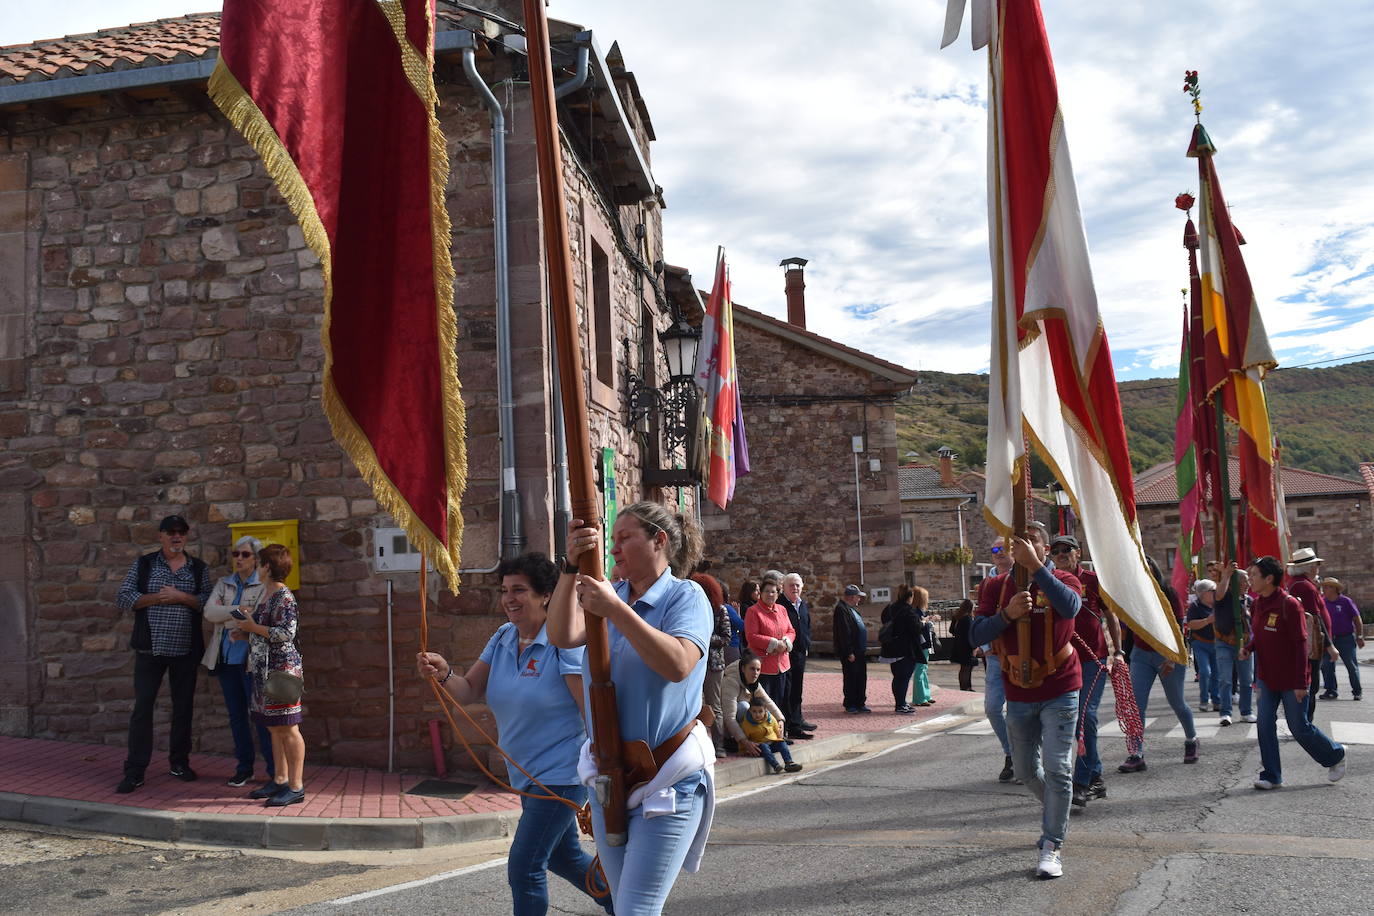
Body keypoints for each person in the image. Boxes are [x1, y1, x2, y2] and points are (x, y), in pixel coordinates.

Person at [416, 553, 610, 916]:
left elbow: (590, 710)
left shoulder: (563, 642)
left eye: (519, 590)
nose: (509, 599)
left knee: (525, 867)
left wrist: (604, 762)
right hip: (526, 775)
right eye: (505, 590)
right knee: (562, 857)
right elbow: (469, 690)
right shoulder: (504, 636)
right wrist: (443, 673)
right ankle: (627, 907)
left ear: (546, 596)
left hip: (560, 775)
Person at [553, 503, 714, 916]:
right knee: (623, 906)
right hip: (611, 778)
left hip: (668, 779)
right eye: (614, 539)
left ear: (658, 541)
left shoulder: (686, 596)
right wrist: (570, 568)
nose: (615, 548)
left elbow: (678, 663)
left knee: (635, 909)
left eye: (625, 538)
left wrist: (615, 611)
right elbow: (561, 633)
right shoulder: (614, 596)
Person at [970, 520, 1082, 880]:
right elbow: (976, 631)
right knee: (1023, 770)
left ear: (1044, 549)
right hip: (1017, 690)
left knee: (1058, 768)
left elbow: (1070, 608)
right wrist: (1007, 615)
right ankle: (1057, 808)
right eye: (1016, 544)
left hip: (1060, 687)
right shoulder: (996, 586)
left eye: (1030, 542)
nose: (1021, 548)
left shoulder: (1064, 579)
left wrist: (1036, 569)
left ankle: (1052, 843)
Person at [114, 514, 212, 794]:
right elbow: (123, 596)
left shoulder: (198, 568)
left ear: (187, 536)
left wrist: (182, 597)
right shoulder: (144, 564)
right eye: (171, 532)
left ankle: (179, 763)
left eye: (181, 531)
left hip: (185, 651)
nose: (176, 536)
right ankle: (134, 771)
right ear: (161, 536)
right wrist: (156, 597)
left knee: (183, 710)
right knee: (142, 709)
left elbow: (208, 601)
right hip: (150, 650)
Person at [1241, 555, 1347, 790]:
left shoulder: (1290, 604)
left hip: (1292, 678)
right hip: (1267, 676)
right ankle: (1271, 775)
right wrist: (1249, 648)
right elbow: (1260, 635)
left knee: (1299, 726)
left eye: (1254, 575)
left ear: (1269, 579)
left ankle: (1335, 755)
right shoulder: (1257, 603)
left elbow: (1301, 644)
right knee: (1264, 724)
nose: (1250, 579)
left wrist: (1301, 682)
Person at [230, 544, 306, 807]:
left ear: (267, 567)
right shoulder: (266, 593)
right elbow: (265, 629)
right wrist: (245, 632)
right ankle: (280, 779)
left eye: (260, 563)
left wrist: (253, 626)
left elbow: (287, 633)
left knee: (288, 727)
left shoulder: (284, 596)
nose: (257, 568)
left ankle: (296, 787)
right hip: (264, 668)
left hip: (281, 669)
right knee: (273, 727)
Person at [1050, 535, 1122, 809]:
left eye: (1066, 550)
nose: (1061, 554)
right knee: (1072, 718)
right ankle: (1096, 776)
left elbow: (1110, 615)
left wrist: (1119, 651)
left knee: (1084, 716)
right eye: (1055, 551)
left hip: (1093, 658)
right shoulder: (1050, 581)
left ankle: (1081, 781)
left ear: (1077, 553)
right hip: (1063, 660)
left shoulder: (1092, 580)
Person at [202, 535, 273, 788]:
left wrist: (233, 615)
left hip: (251, 661)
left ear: (256, 559)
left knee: (261, 717)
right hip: (225, 660)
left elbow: (257, 619)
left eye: (245, 555)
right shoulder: (225, 583)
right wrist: (237, 611)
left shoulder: (264, 586)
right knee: (236, 717)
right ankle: (244, 768)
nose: (239, 559)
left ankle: (275, 772)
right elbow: (210, 612)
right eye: (236, 554)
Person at [1118, 557, 1199, 773]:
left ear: (1155, 570)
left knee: (1177, 702)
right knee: (1136, 706)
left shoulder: (1169, 594)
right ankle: (1136, 754)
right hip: (1141, 655)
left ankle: (1191, 739)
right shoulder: (1132, 595)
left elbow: (1179, 628)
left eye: (1148, 567)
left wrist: (1172, 658)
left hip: (1167, 656)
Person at [977, 537, 1016, 782]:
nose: (999, 552)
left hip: (1019, 653)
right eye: (994, 549)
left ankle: (1024, 757)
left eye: (1004, 548)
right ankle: (1011, 752)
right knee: (992, 708)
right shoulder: (986, 582)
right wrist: (985, 645)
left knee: (1020, 710)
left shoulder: (1023, 578)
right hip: (995, 656)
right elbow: (979, 616)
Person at [1286, 548, 1338, 718]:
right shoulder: (1305, 587)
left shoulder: (1298, 583)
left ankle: (1302, 721)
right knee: (1311, 685)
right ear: (1308, 567)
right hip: (1311, 645)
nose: (1318, 567)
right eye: (1316, 564)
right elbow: (1315, 619)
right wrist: (1330, 646)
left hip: (1306, 643)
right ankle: (1305, 723)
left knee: (1308, 684)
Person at [744, 580, 800, 736]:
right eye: (767, 591)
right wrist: (774, 643)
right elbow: (752, 636)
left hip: (782, 664)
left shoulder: (782, 609)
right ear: (761, 593)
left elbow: (791, 630)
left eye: (773, 592)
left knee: (781, 701)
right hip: (763, 666)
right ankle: (766, 736)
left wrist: (785, 642)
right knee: (765, 703)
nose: (770, 594)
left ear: (778, 594)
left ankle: (781, 734)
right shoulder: (753, 611)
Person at [1210, 560, 1256, 727]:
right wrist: (1227, 575)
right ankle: (1225, 713)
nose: (1248, 584)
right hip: (1224, 642)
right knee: (1225, 679)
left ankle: (1246, 711)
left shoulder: (1249, 600)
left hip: (1245, 644)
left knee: (1246, 680)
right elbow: (1219, 593)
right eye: (1244, 581)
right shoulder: (1224, 596)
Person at [692, 573, 732, 759]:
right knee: (693, 704)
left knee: (714, 704)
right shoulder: (692, 607)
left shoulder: (720, 610)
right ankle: (696, 742)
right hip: (694, 661)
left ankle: (719, 744)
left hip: (713, 664)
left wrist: (704, 639)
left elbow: (726, 637)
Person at [722, 649, 786, 757]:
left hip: (742, 725)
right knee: (744, 707)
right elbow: (729, 717)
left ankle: (762, 739)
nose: (755, 673)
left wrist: (780, 720)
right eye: (752, 669)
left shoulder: (754, 682)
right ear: (743, 669)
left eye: (758, 670)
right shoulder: (731, 681)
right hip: (727, 727)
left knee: (764, 709)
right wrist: (745, 742)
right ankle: (738, 741)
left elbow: (768, 702)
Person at [780, 573, 817, 739]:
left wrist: (807, 644)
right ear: (784, 587)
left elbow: (806, 626)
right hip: (786, 654)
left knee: (797, 690)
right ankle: (791, 726)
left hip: (801, 653)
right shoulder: (780, 605)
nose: (795, 588)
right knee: (788, 691)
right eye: (791, 585)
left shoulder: (802, 604)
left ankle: (798, 719)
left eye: (797, 585)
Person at [879, 584, 924, 714]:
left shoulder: (890, 608)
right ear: (910, 596)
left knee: (897, 677)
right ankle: (900, 704)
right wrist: (923, 623)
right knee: (903, 678)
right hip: (905, 649)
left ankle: (900, 702)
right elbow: (916, 629)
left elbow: (884, 621)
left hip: (891, 648)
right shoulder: (908, 611)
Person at [1320, 578, 1364, 701]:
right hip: (1329, 640)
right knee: (1327, 666)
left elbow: (1357, 618)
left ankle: (1357, 691)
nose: (1324, 589)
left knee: (1351, 665)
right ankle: (1331, 691)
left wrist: (1360, 636)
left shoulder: (1346, 601)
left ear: (1335, 588)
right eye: (1324, 586)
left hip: (1346, 639)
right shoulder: (1322, 602)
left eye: (1327, 587)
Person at [832, 585, 871, 713]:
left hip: (859, 651)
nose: (859, 599)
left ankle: (860, 702)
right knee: (851, 678)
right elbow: (844, 632)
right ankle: (850, 704)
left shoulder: (851, 609)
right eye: (858, 596)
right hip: (852, 652)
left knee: (860, 677)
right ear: (851, 597)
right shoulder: (841, 609)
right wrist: (849, 651)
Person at [739, 697, 803, 774]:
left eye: (760, 711)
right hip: (760, 746)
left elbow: (776, 728)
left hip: (772, 743)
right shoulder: (747, 724)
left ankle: (789, 763)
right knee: (764, 746)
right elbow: (744, 737)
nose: (757, 714)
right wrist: (743, 749)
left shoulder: (770, 718)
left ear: (765, 710)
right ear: (750, 711)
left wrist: (780, 737)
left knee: (782, 743)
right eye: (754, 711)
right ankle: (775, 765)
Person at [910, 590, 936, 707]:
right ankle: (919, 698)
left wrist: (928, 620)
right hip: (920, 644)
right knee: (920, 670)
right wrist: (926, 621)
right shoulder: (915, 612)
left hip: (924, 644)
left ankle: (926, 695)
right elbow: (918, 626)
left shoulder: (918, 611)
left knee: (923, 669)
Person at [948, 599, 977, 691]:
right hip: (966, 646)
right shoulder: (967, 618)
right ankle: (966, 687)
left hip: (958, 645)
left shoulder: (957, 617)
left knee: (963, 668)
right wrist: (974, 647)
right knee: (967, 668)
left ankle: (964, 686)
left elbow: (951, 630)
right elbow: (970, 634)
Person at [722, 583, 746, 668]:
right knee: (732, 672)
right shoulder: (726, 608)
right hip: (731, 645)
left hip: (721, 646)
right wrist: (738, 615)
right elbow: (741, 625)